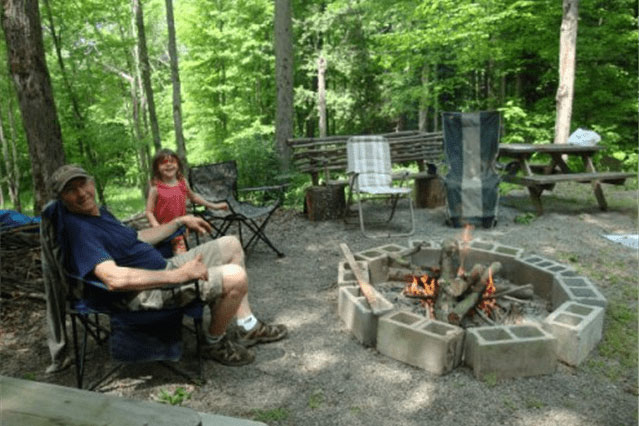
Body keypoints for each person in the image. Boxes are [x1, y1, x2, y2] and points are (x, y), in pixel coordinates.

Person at [49, 164, 287, 366]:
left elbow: (137, 238)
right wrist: (180, 275)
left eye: (83, 184)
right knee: (235, 277)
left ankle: (247, 326)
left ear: (91, 183)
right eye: (71, 190)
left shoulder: (98, 214)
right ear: (61, 199)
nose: (82, 193)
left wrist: (177, 221)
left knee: (232, 244)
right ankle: (214, 343)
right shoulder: (80, 230)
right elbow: (114, 278)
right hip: (143, 292)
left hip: (163, 267)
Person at [145, 148, 228, 255]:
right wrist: (156, 227)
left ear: (178, 164)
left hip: (180, 230)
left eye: (172, 161)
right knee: (165, 260)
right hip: (163, 231)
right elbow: (149, 212)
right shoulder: (156, 188)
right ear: (157, 168)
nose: (169, 165)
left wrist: (215, 206)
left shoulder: (182, 182)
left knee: (181, 257)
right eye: (163, 162)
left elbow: (194, 197)